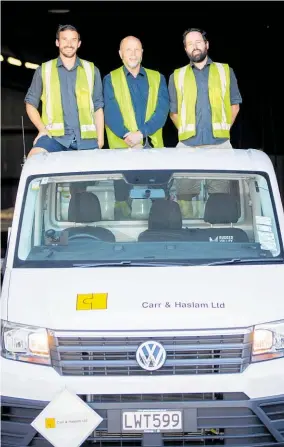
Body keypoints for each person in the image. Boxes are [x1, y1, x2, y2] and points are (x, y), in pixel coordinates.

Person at [168, 27, 243, 217]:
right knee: (184, 198)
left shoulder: (225, 70)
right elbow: (173, 112)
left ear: (207, 45)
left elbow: (235, 104)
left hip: (219, 145)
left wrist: (223, 128)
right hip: (187, 146)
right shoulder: (176, 75)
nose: (195, 46)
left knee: (220, 197)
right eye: (190, 44)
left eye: (198, 42)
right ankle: (187, 237)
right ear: (185, 49)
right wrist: (188, 131)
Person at [103, 35, 170, 217]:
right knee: (122, 206)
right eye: (128, 50)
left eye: (136, 49)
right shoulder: (110, 79)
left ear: (142, 52)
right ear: (120, 54)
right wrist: (128, 136)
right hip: (122, 151)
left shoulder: (158, 78)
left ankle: (162, 237)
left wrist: (142, 134)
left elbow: (162, 110)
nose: (132, 54)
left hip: (152, 147)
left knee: (160, 202)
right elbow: (110, 112)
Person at [25, 24, 104, 157]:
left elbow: (98, 107)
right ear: (57, 42)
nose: (69, 44)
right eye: (64, 39)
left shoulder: (92, 70)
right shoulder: (44, 70)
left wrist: (100, 139)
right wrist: (42, 129)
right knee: (34, 157)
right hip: (54, 139)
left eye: (73, 40)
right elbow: (30, 104)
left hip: (86, 140)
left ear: (79, 43)